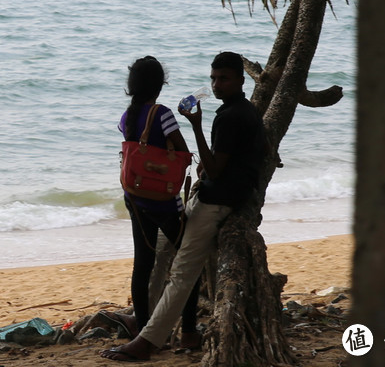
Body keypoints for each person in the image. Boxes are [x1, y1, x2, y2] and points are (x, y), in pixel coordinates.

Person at [102, 51, 265, 362]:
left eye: (223, 79)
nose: (216, 85)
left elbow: (215, 166)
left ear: (241, 80)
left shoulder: (229, 116)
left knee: (177, 268)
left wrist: (198, 126)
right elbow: (207, 155)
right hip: (187, 196)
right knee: (164, 250)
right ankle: (161, 324)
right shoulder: (241, 111)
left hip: (203, 200)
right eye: (213, 79)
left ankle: (147, 339)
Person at [104, 56, 199, 345]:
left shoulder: (126, 117)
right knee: (187, 261)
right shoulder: (163, 113)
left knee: (142, 264)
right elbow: (183, 153)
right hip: (164, 200)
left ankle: (143, 329)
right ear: (160, 85)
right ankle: (189, 331)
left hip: (134, 197)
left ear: (131, 86)